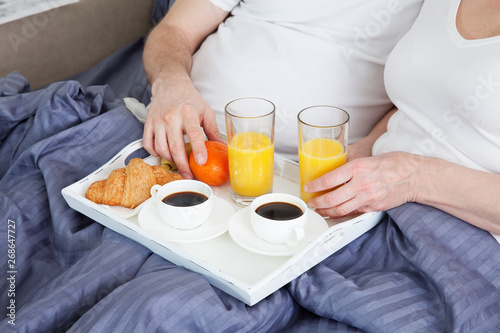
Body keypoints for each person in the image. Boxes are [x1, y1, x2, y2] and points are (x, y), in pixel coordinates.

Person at [142, 0, 424, 179]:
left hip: (313, 174)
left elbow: (432, 97)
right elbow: (175, 30)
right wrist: (171, 84)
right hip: (180, 138)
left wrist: (368, 147)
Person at [304, 0, 500, 237]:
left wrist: (412, 177)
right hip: (372, 214)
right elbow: (422, 106)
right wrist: (366, 148)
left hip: (456, 241)